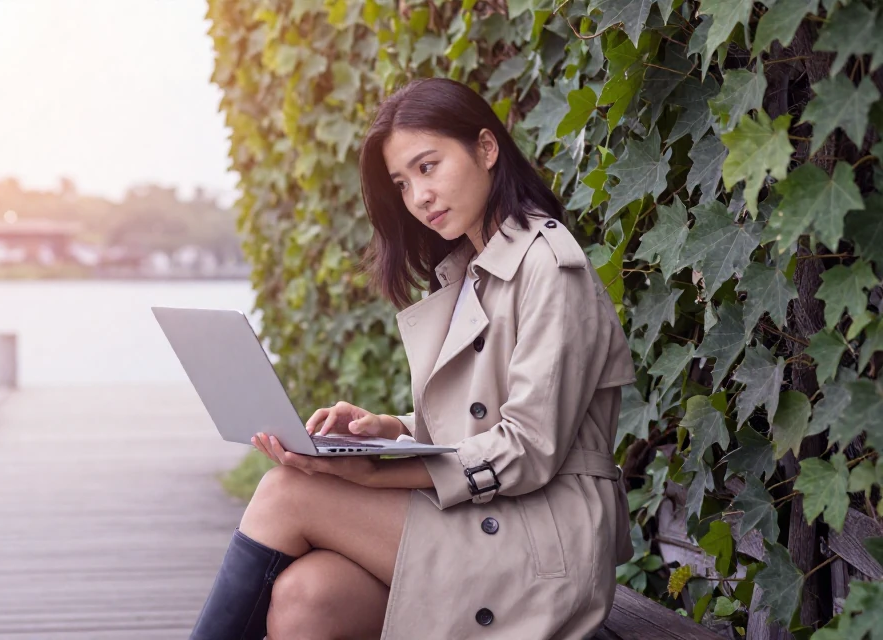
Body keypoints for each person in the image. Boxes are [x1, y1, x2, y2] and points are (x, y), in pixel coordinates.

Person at [189, 76, 638, 640]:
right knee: (309, 596)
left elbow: (528, 446)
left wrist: (379, 476)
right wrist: (387, 430)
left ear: (486, 148)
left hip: (541, 547)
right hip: (484, 521)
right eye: (402, 182)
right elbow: (483, 419)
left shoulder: (550, 266)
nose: (418, 195)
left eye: (428, 167)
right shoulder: (467, 271)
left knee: (287, 492)